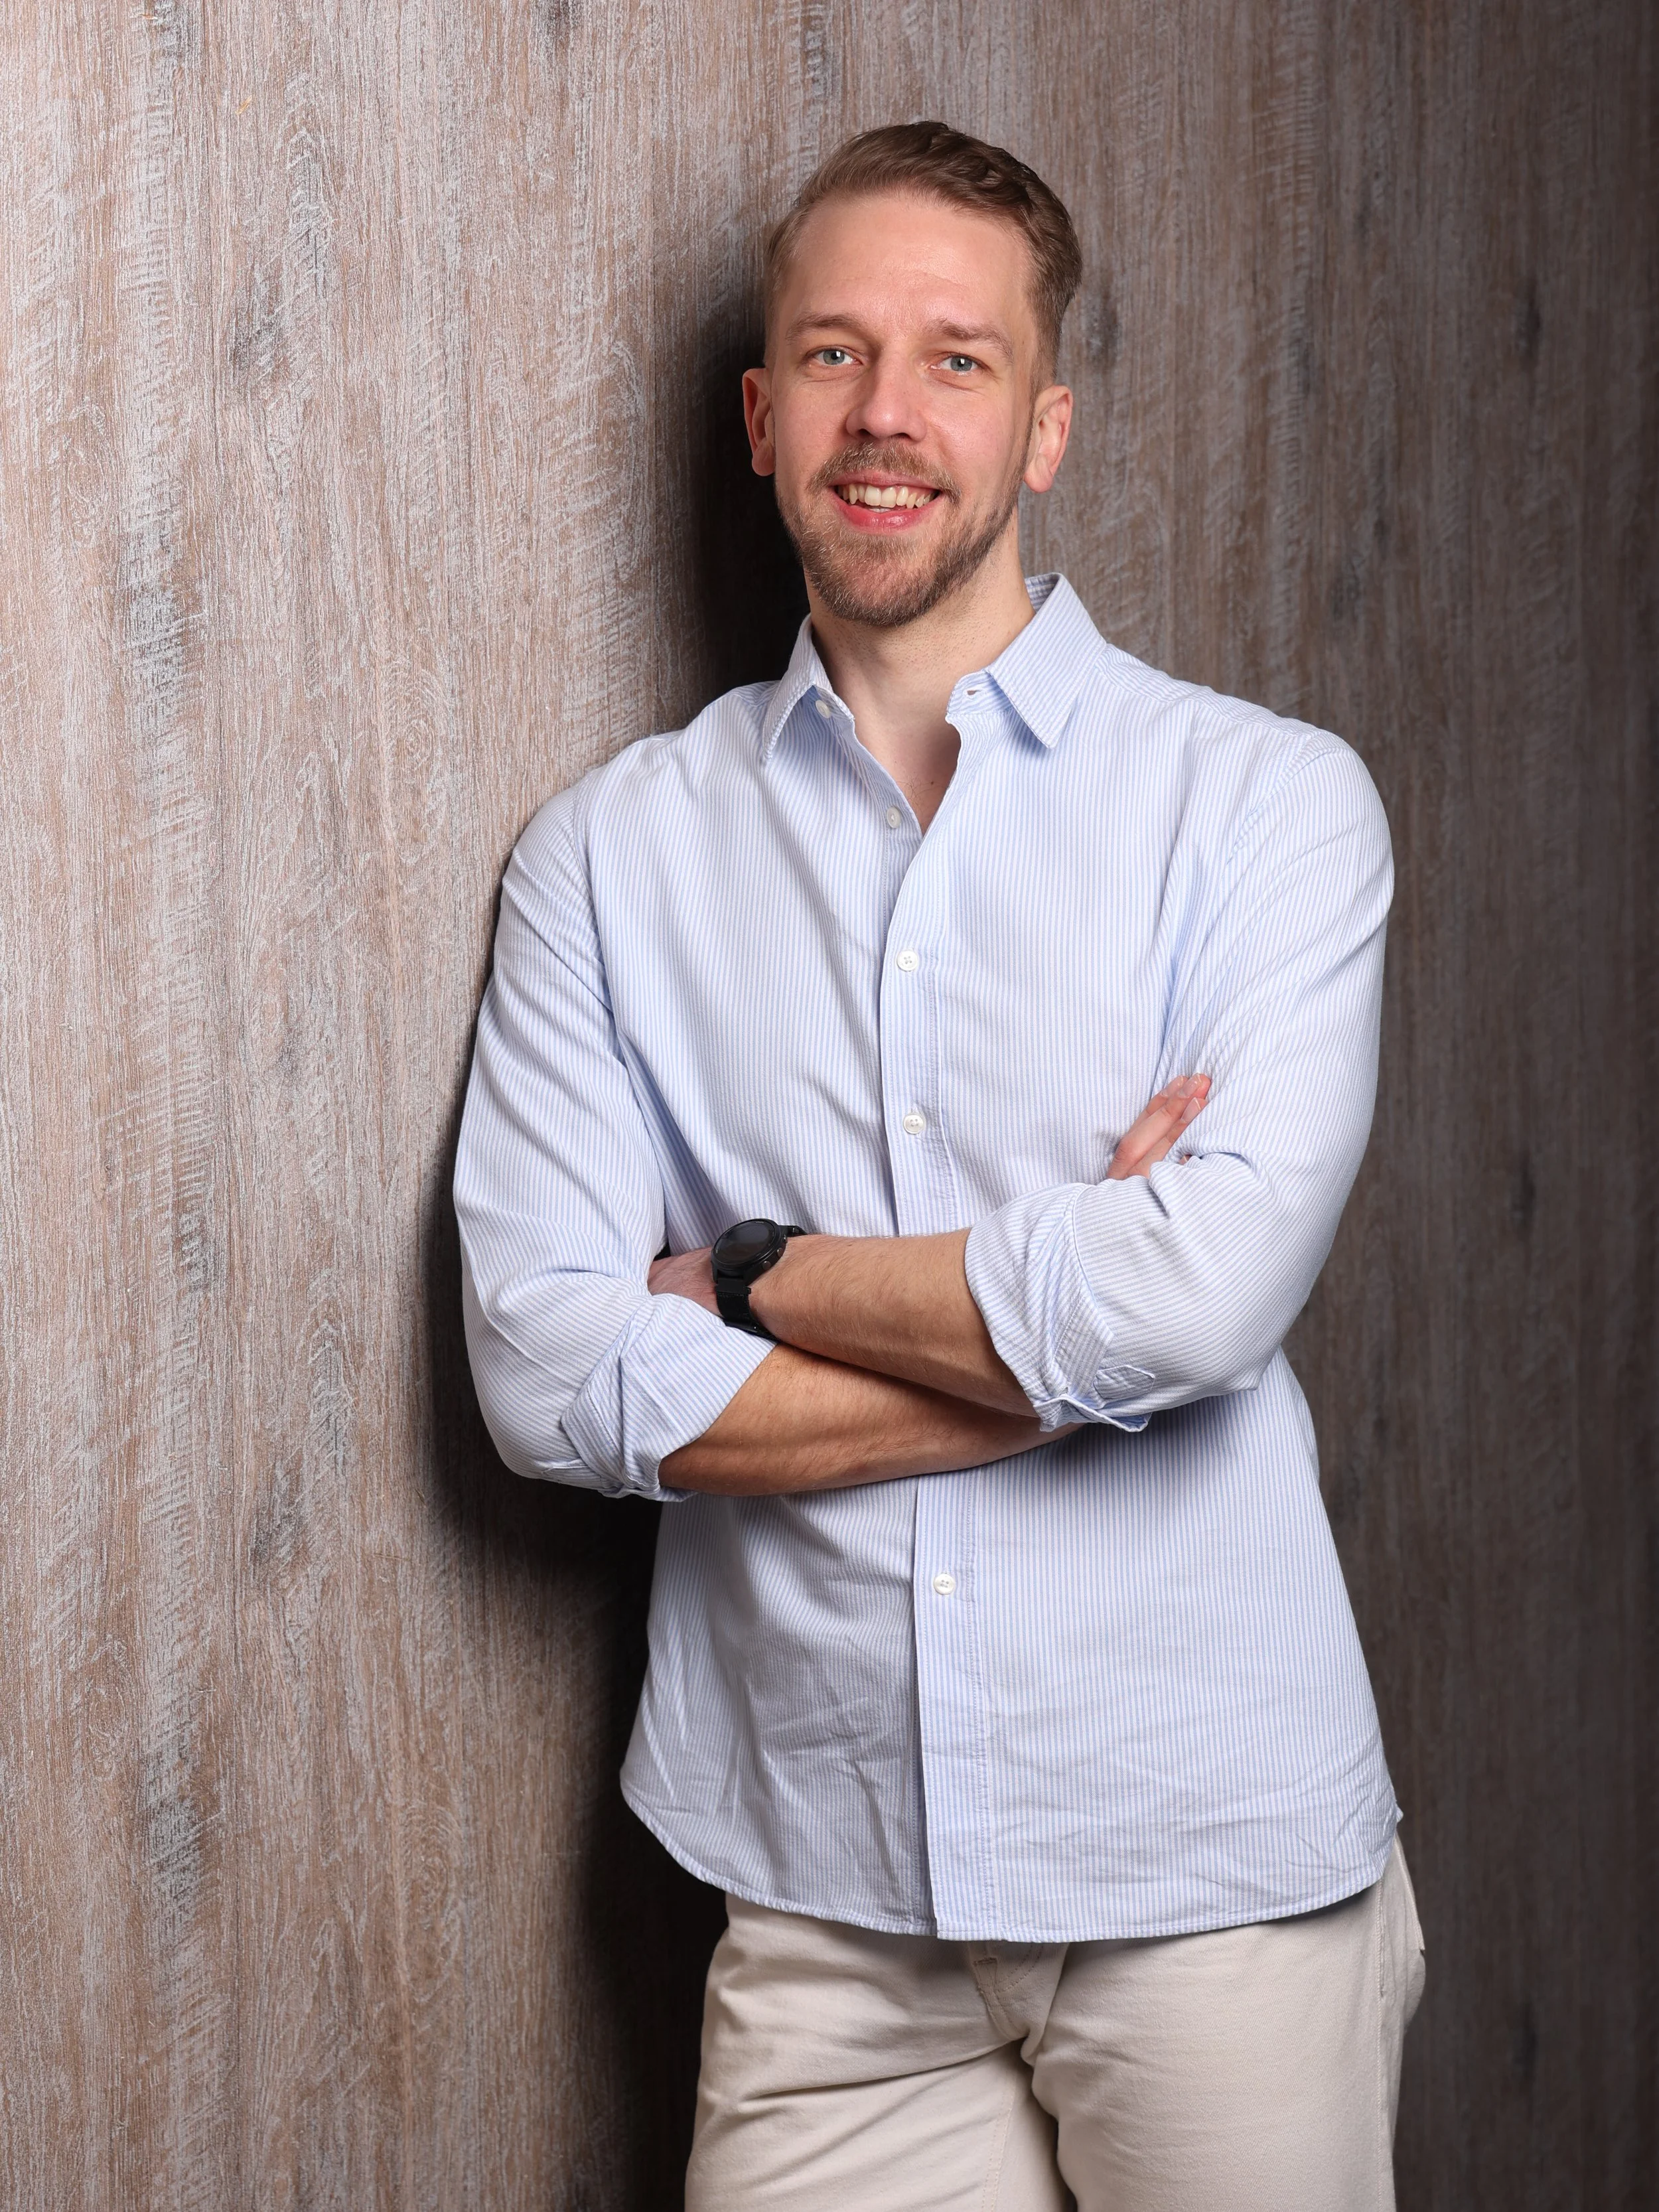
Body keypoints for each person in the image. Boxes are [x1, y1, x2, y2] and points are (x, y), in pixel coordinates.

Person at [454, 121, 1424, 2212]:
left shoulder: (1263, 810)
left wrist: (751, 1271)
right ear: (757, 414)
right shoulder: (606, 861)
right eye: (831, 354)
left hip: (1212, 1881)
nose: (886, 416)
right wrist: (1071, 1329)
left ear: (1043, 425)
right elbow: (548, 1380)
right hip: (815, 1912)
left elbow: (1193, 1297)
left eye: (956, 361)